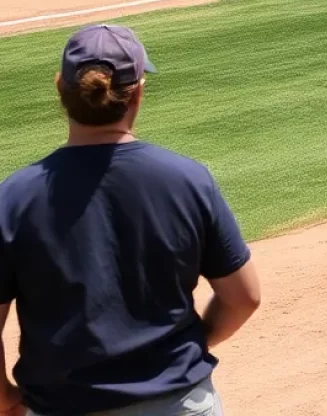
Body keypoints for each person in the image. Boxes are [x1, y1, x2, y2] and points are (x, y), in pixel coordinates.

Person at [0, 25, 260, 416]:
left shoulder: (15, 196)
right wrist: (190, 347)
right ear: (138, 92)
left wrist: (4, 396)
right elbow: (244, 297)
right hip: (179, 404)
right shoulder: (186, 179)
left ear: (60, 89)